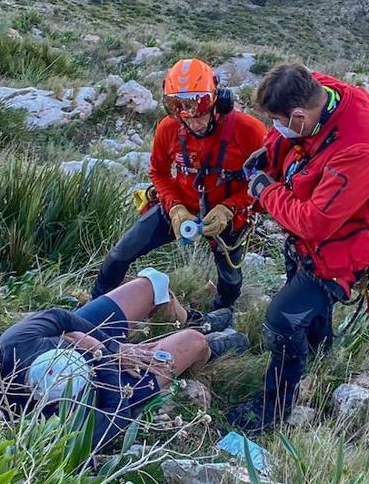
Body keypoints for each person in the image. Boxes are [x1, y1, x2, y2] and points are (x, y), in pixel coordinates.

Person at [227, 64, 369, 434]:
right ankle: (319, 364)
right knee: (310, 313)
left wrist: (264, 189)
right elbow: (287, 140)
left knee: (283, 319)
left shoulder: (359, 148)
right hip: (310, 245)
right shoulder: (320, 92)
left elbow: (314, 221)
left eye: (278, 122)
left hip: (340, 251)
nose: (275, 129)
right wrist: (269, 155)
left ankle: (275, 408)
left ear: (300, 116)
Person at [0, 268, 247, 447]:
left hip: (88, 341)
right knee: (194, 341)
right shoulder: (70, 425)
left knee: (152, 283)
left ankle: (195, 320)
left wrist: (112, 348)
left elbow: (59, 317)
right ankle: (209, 351)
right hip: (116, 383)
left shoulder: (15, 346)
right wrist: (109, 360)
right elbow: (120, 411)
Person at [93, 58, 267, 316]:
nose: (195, 122)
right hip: (180, 207)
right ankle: (93, 308)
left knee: (230, 281)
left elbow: (265, 183)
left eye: (202, 112)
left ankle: (217, 316)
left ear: (219, 98)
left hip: (228, 217)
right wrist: (174, 209)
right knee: (120, 254)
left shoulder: (249, 131)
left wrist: (230, 209)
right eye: (184, 114)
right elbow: (159, 173)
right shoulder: (169, 128)